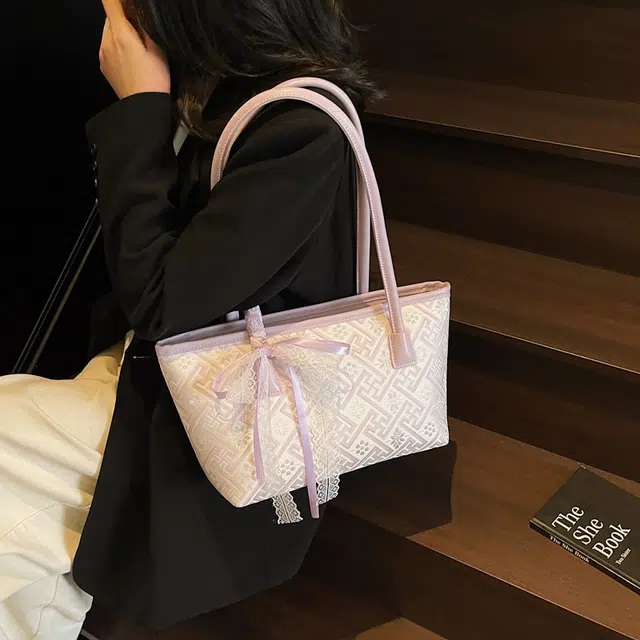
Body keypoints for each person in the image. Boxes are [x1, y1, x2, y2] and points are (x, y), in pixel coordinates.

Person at [0, 0, 378, 636]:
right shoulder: (230, 97)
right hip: (172, 380)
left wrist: (140, 108)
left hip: (220, 423)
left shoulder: (300, 130)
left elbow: (161, 304)